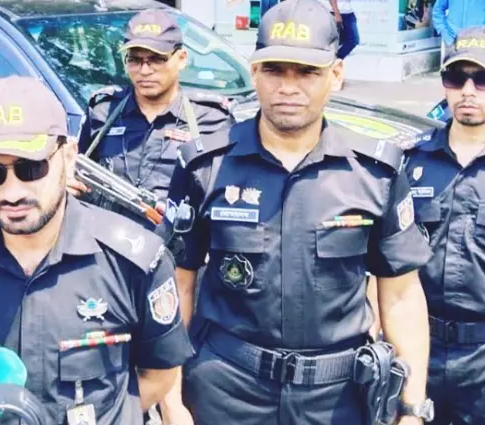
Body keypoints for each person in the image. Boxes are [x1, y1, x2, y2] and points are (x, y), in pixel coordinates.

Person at [160, 1, 434, 424]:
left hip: (338, 397)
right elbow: (178, 286)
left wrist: (412, 409)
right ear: (254, 72)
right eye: (275, 70)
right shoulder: (205, 167)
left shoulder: (375, 172)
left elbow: (400, 295)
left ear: (336, 75)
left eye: (307, 71)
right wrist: (171, 400)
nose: (288, 87)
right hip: (226, 389)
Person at [0, 76, 193, 425]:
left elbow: (158, 375)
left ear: (68, 156)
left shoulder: (135, 261)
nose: (12, 192)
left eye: (31, 168)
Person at [75, 9, 231, 230]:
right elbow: (77, 172)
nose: (145, 70)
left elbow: (227, 196)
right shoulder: (103, 111)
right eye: (135, 60)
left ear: (181, 59)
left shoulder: (212, 119)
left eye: (157, 59)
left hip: (177, 245)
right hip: (106, 240)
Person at [402, 26, 485, 425]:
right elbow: (385, 258)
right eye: (457, 78)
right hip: (419, 347)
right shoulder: (410, 161)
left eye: (482, 79)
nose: (468, 90)